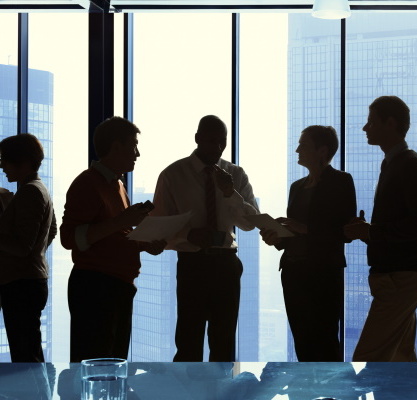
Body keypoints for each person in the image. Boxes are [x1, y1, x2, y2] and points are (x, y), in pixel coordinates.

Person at [151, 115, 259, 361]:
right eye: (211, 141)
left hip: (227, 264)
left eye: (222, 142)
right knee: (189, 341)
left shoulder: (236, 175)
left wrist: (230, 193)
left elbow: (250, 223)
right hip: (192, 265)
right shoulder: (173, 175)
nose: (218, 147)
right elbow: (158, 226)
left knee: (224, 343)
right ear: (197, 138)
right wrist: (189, 234)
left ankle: (220, 395)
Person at [61, 116, 165, 362]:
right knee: (96, 364)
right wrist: (122, 220)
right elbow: (69, 239)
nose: (137, 153)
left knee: (113, 362)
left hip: (117, 286)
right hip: (96, 287)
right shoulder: (86, 183)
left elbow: (114, 235)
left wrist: (144, 244)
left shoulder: (118, 185)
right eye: (133, 145)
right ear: (116, 146)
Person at [343, 95, 417, 361]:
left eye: (371, 121)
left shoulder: (410, 165)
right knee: (401, 358)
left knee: (368, 358)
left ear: (390, 123)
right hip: (399, 275)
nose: (365, 128)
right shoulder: (396, 164)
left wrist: (370, 232)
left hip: (401, 276)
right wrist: (369, 230)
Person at [260, 125, 356, 361]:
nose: (297, 150)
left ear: (322, 151)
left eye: (303, 145)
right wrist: (277, 237)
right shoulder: (297, 187)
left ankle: (330, 395)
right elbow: (294, 234)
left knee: (324, 340)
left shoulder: (341, 181)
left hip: (323, 272)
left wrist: (304, 228)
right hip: (293, 272)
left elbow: (345, 232)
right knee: (302, 340)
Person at [0, 133, 56, 362]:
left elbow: (22, 246)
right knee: (29, 352)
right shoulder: (38, 188)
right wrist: (37, 253)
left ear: (22, 161)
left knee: (24, 356)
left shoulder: (30, 192)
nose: (2, 165)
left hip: (20, 284)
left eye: (5, 159)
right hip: (30, 280)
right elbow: (51, 230)